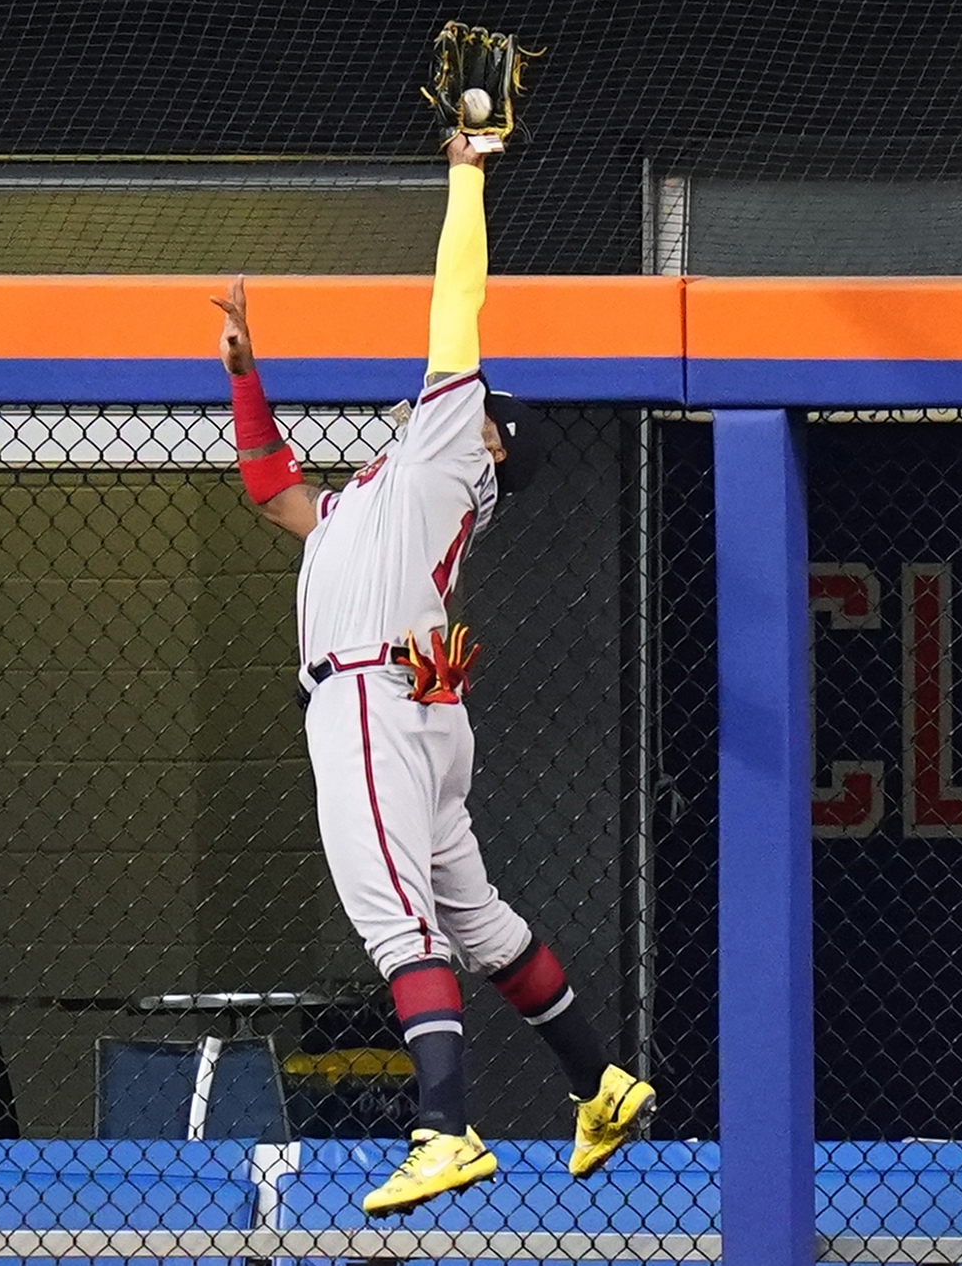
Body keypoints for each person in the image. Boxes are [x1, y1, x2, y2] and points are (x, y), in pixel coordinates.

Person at [209, 133, 657, 1216]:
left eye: (480, 405)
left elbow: (456, 301)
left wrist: (466, 170)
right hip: (411, 705)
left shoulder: (456, 446)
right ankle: (600, 1081)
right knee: (481, 921)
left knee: (391, 919)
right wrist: (242, 374)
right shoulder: (384, 484)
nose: (459, 395)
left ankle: (446, 1131)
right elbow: (272, 491)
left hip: (369, 696)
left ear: (493, 443)